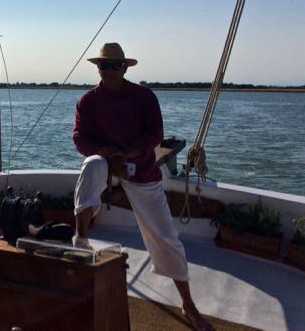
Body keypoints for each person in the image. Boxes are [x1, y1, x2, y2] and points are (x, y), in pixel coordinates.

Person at [72, 42, 214, 331]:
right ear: (97, 68)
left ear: (125, 68)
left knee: (166, 236)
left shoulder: (144, 97)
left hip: (141, 169)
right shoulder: (87, 102)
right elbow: (80, 138)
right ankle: (80, 238)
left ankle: (188, 305)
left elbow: (156, 134)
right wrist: (106, 154)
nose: (109, 71)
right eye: (104, 66)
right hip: (107, 163)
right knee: (92, 166)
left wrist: (128, 155)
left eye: (115, 66)